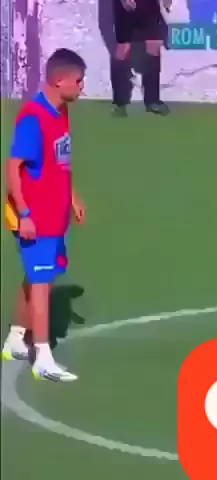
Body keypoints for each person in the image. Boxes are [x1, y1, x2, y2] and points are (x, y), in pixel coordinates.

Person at [2, 48, 87, 382]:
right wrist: (24, 213)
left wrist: (72, 197)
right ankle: (43, 357)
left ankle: (15, 339)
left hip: (54, 215)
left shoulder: (61, 111)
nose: (81, 87)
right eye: (78, 81)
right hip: (35, 218)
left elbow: (58, 162)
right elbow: (13, 168)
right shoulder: (33, 118)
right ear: (59, 80)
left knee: (36, 276)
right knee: (41, 283)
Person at [111, 0, 172, 116]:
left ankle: (152, 100)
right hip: (125, 6)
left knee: (153, 46)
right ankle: (119, 102)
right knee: (123, 48)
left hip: (150, 4)